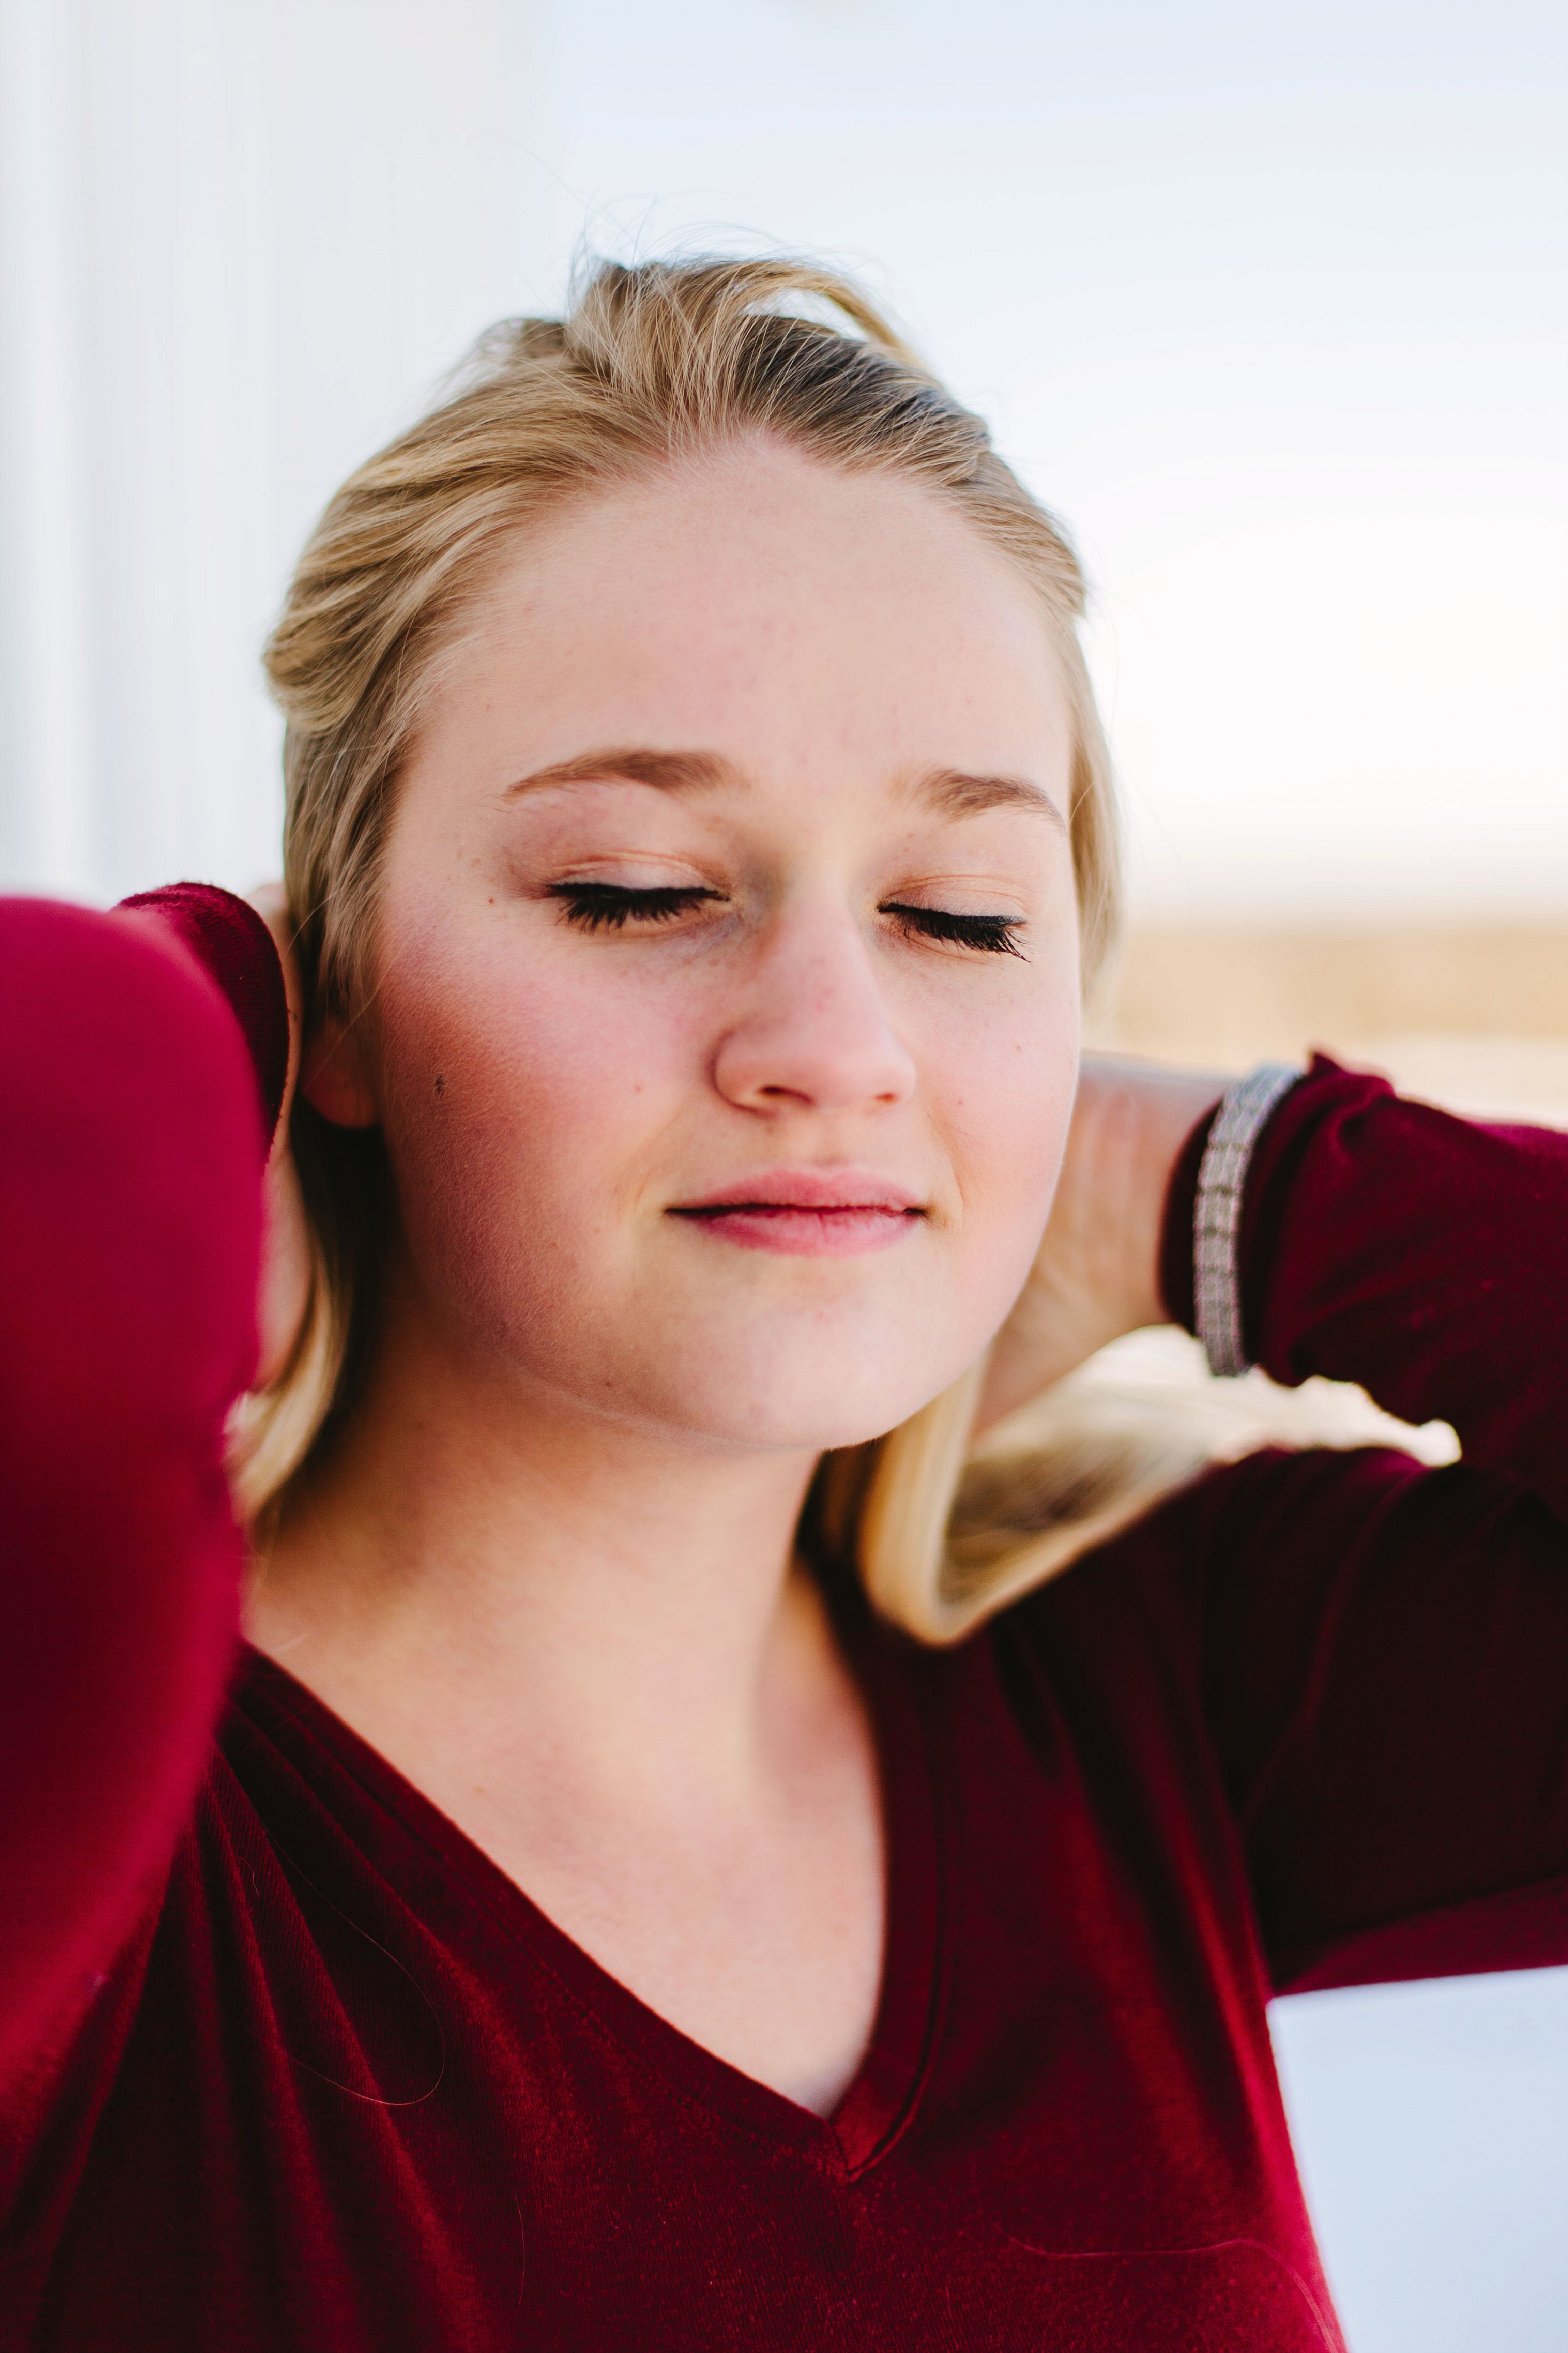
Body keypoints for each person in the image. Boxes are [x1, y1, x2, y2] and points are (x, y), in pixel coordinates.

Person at [1, 256, 1563, 2353]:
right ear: (344, 976)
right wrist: (234, 1014)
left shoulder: (1145, 1692)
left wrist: (1204, 1182)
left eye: (959, 913)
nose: (836, 1041)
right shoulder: (97, 1809)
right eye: (635, 888)